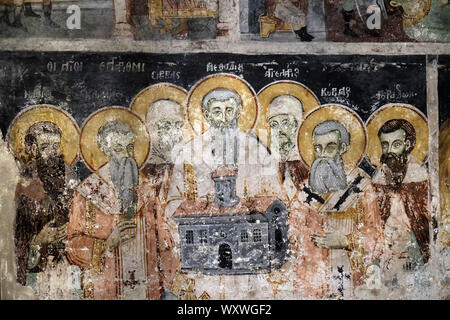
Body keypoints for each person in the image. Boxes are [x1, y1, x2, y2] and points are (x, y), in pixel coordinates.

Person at [166, 88, 283, 299]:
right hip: (203, 274)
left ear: (239, 112)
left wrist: (248, 208)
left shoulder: (257, 151)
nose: (223, 118)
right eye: (217, 111)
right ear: (207, 115)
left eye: (229, 110)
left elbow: (275, 202)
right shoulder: (189, 152)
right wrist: (203, 208)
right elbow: (172, 204)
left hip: (250, 272)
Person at [66, 120, 161, 300]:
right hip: (105, 285)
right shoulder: (87, 191)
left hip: (146, 287)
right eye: (118, 149)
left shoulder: (147, 191)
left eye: (130, 148)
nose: (126, 156)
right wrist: (107, 243)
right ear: (106, 150)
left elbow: (162, 238)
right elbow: (72, 245)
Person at [295, 116, 383, 298]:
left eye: (330, 147)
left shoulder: (361, 186)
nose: (323, 155)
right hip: (314, 279)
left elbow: (376, 237)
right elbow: (293, 230)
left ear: (343, 148)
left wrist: (346, 241)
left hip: (352, 277)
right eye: (318, 148)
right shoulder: (305, 191)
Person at [14, 121, 80, 299]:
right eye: (45, 147)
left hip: (67, 264)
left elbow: (81, 216)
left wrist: (72, 229)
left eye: (56, 146)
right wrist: (38, 240)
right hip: (35, 269)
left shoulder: (70, 176)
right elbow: (14, 232)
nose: (52, 152)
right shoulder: (22, 182)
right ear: (33, 149)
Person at [372, 119, 431, 296]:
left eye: (396, 144)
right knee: (377, 288)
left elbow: (424, 217)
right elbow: (374, 216)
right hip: (384, 245)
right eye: (385, 145)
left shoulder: (418, 174)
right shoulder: (379, 176)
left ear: (407, 145)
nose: (389, 151)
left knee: (412, 288)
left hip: (412, 242)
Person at [141, 99, 184, 298]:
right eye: (166, 126)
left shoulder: (186, 170)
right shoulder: (140, 174)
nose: (174, 134)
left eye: (178, 126)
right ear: (151, 130)